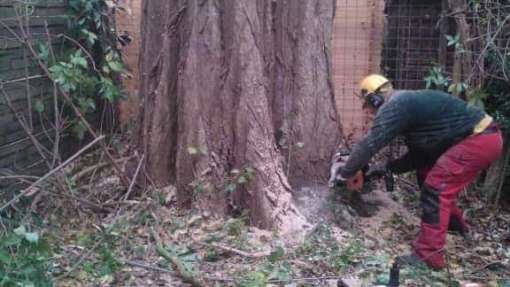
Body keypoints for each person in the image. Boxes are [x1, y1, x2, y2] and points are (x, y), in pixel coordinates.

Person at [330, 74, 503, 269]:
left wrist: (344, 174)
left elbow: (369, 144)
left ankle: (428, 258)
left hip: (477, 140)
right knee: (427, 174)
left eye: (367, 106)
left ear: (374, 99)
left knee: (436, 188)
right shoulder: (407, 104)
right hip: (481, 138)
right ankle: (454, 228)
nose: (368, 111)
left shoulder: (396, 105)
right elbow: (420, 156)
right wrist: (386, 168)